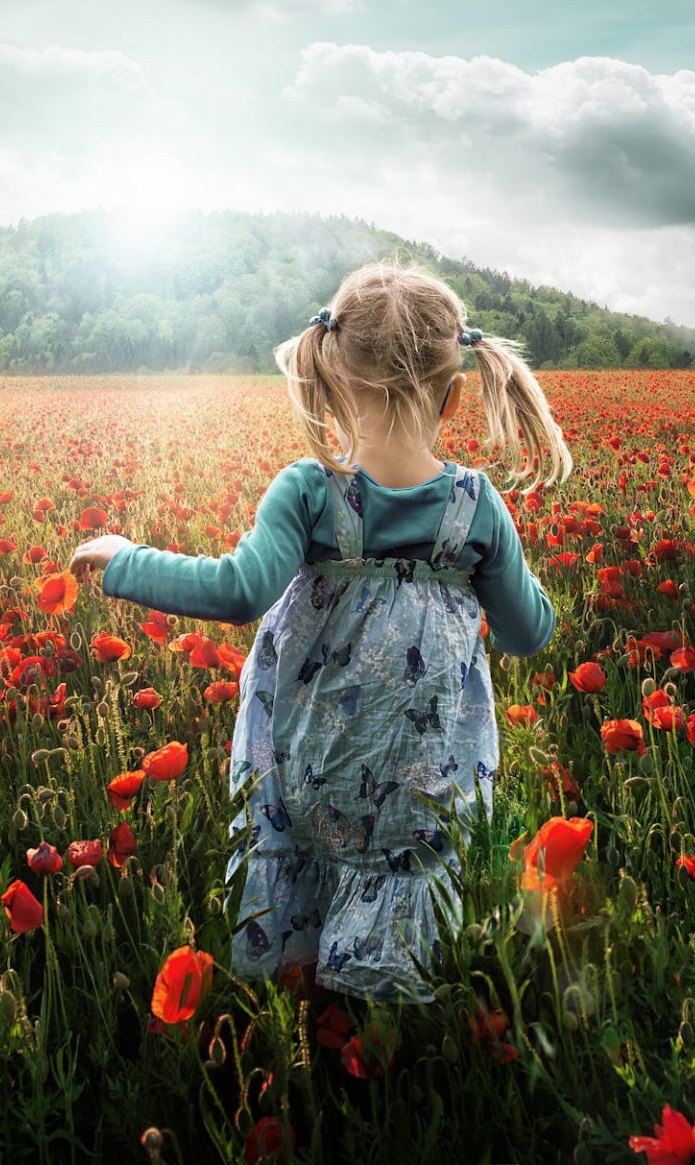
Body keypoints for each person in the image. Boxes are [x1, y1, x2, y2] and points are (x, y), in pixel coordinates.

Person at [68, 260, 571, 1005]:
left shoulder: (309, 489)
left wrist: (124, 559)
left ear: (331, 377)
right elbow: (529, 633)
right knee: (398, 935)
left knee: (306, 903)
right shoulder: (476, 504)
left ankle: (309, 1015)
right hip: (420, 789)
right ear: (457, 394)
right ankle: (385, 1035)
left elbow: (238, 591)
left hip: (313, 778)